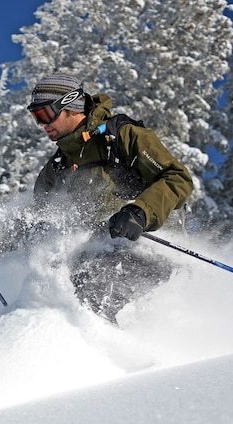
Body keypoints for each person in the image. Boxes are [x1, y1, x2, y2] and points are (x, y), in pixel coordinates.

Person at [25, 72, 194, 322]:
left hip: (151, 249)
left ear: (71, 106)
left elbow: (177, 178)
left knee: (92, 286)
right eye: (35, 116)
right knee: (54, 291)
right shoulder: (57, 167)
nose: (42, 124)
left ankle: (119, 352)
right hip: (96, 257)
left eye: (45, 114)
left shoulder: (121, 136)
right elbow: (38, 221)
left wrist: (139, 212)